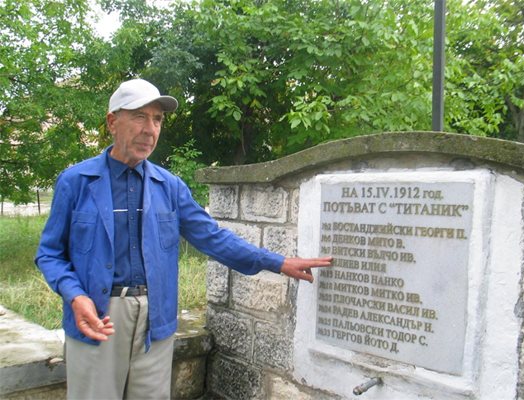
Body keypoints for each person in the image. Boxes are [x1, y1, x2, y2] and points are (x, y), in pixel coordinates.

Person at [35, 78, 332, 400]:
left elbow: (213, 238)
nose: (150, 129)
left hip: (156, 319)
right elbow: (49, 254)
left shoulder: (170, 186)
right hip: (98, 316)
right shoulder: (76, 181)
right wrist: (75, 296)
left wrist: (278, 262)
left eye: (157, 119)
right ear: (112, 122)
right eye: (139, 117)